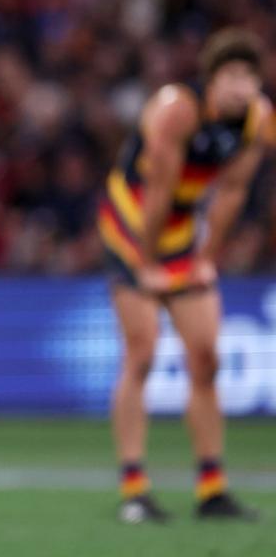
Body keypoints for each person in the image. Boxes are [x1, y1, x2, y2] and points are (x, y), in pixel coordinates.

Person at [99, 27, 270, 524]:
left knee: (206, 357)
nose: (241, 87)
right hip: (133, 225)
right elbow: (157, 189)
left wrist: (206, 257)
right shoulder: (178, 111)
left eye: (250, 76)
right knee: (143, 352)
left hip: (181, 235)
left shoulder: (258, 122)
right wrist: (147, 263)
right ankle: (134, 486)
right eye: (231, 75)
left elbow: (231, 195)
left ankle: (212, 488)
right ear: (211, 80)